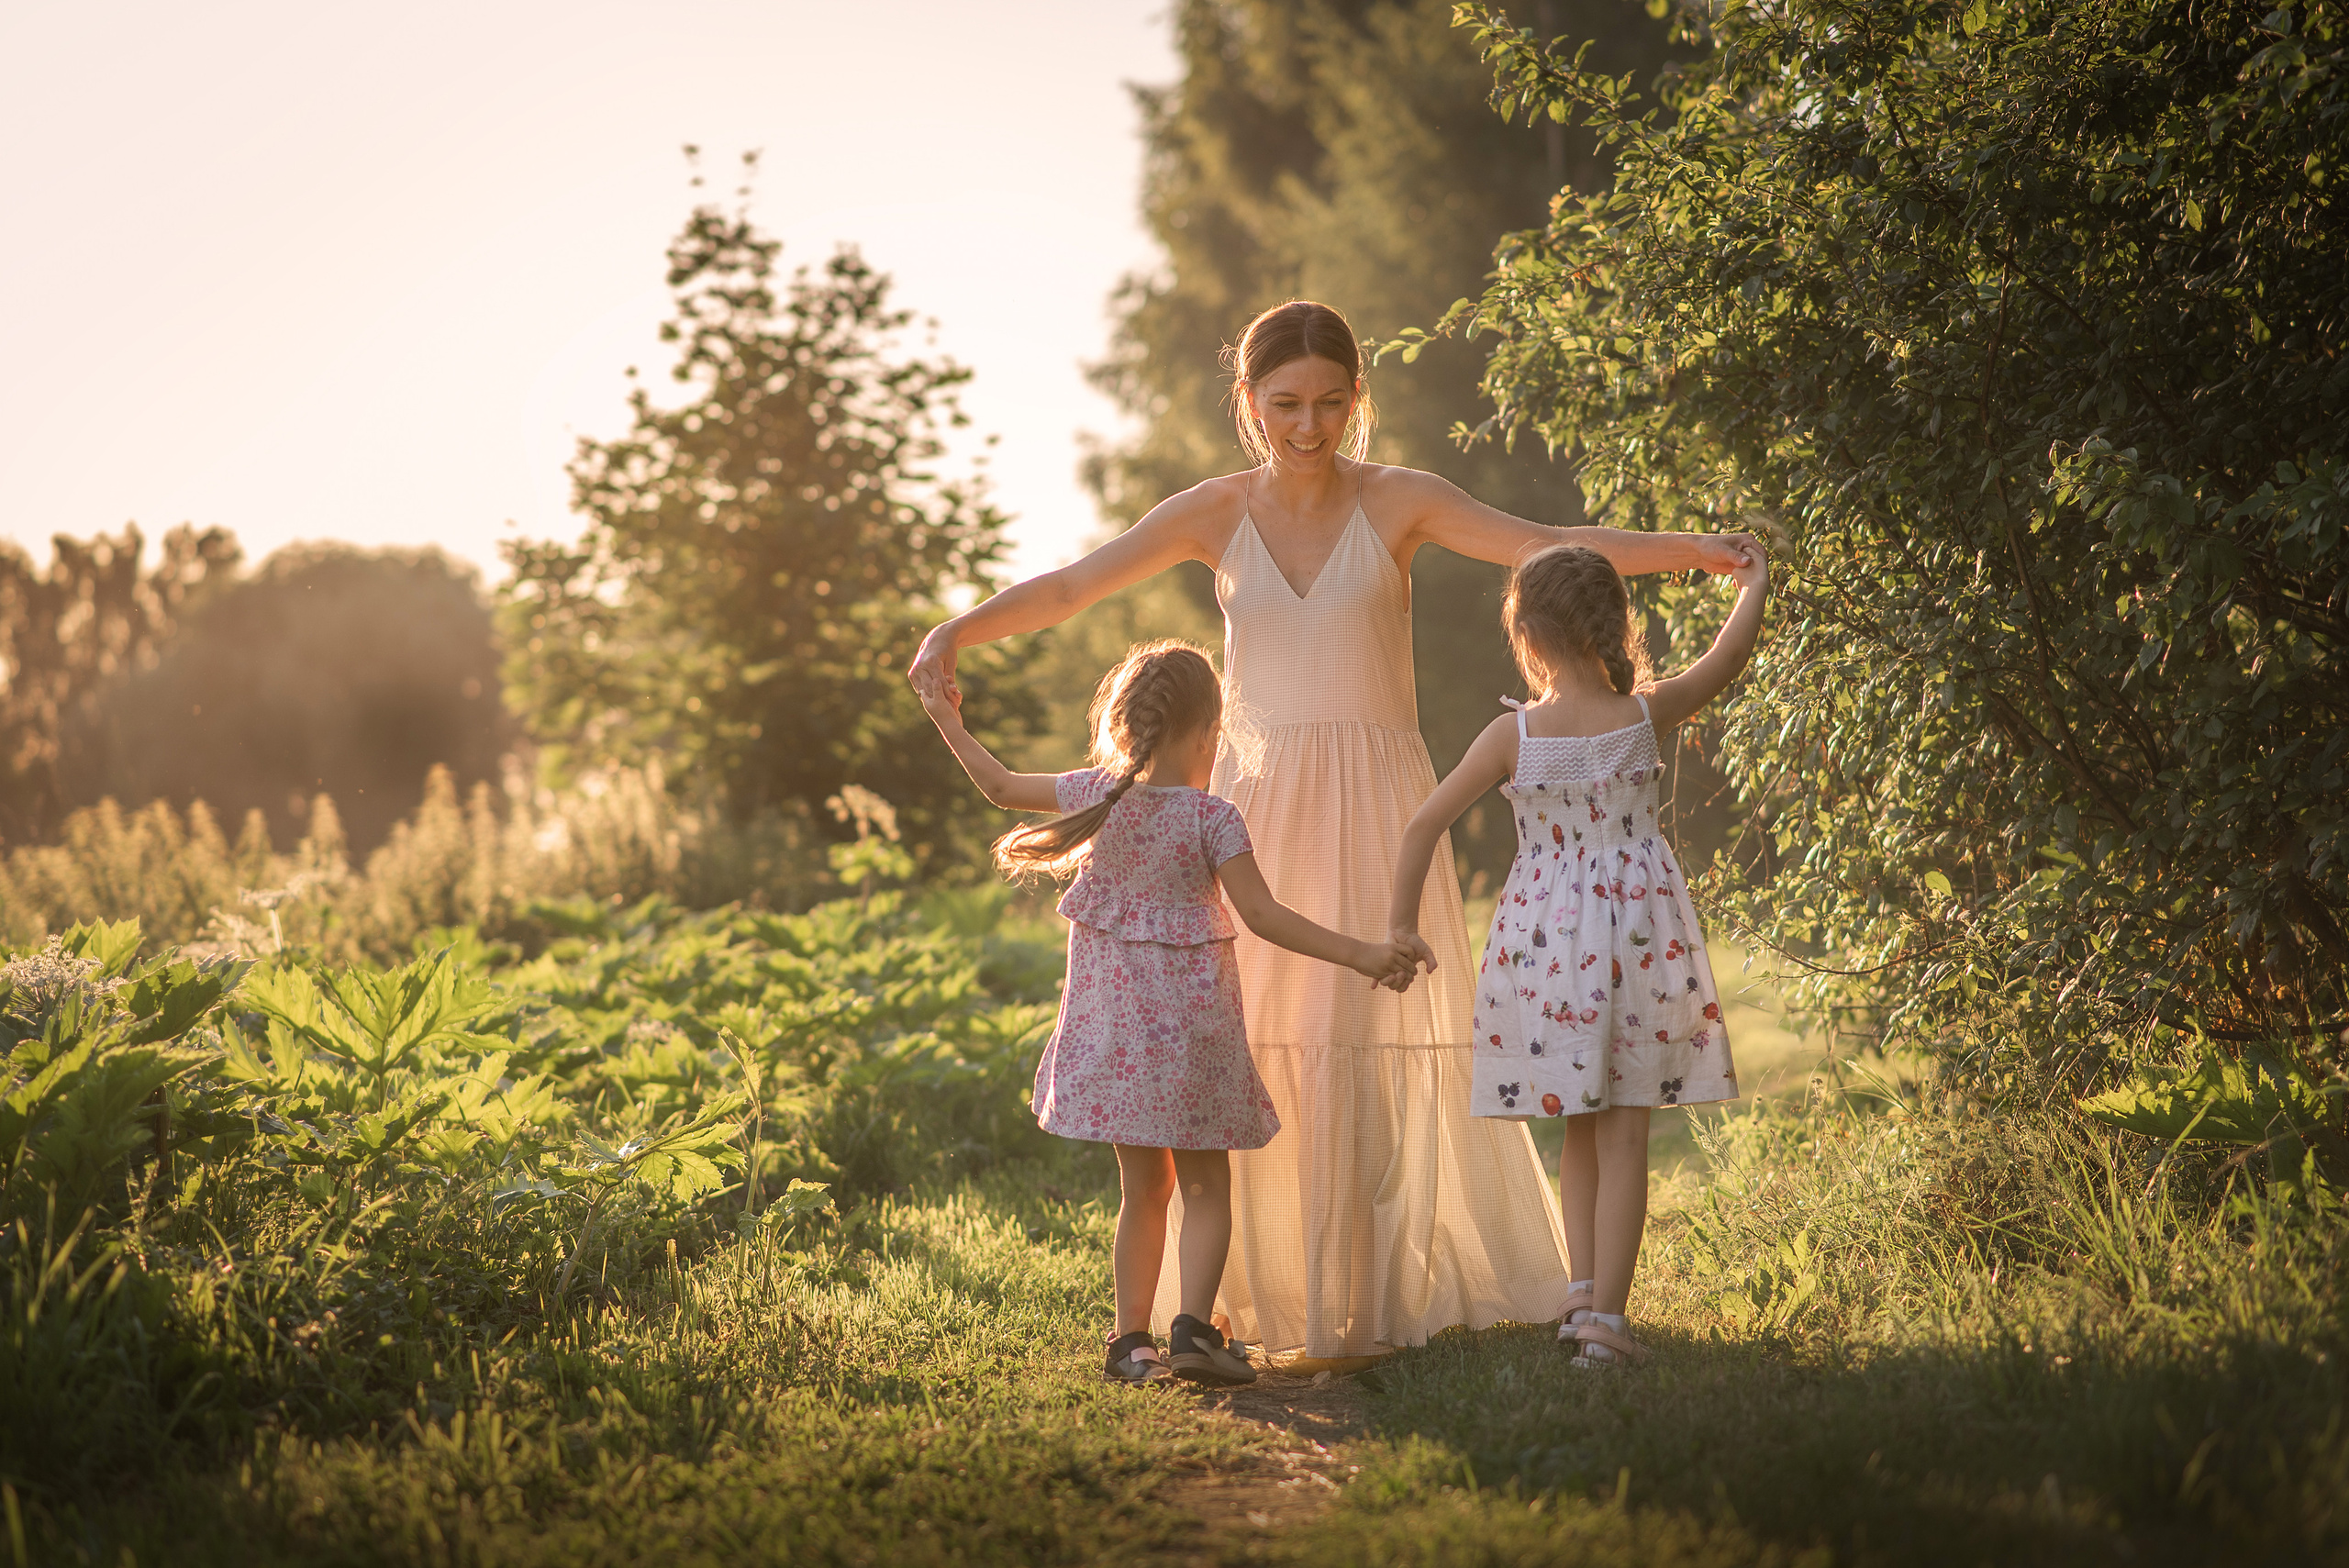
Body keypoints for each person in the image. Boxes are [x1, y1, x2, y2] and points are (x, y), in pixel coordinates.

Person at [909, 299, 1758, 1368]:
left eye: (1327, 402)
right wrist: (956, 629)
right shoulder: (1213, 511)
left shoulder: (1399, 498)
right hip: (1257, 803)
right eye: (1284, 404)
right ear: (1249, 402)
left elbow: (1546, 546)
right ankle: (1240, 1294)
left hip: (1376, 800)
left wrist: (1695, 554)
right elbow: (1077, 583)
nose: (1307, 425)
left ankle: (1369, 1292)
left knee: (1367, 1035)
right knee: (1255, 1043)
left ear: (1357, 396)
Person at [919, 639, 1418, 1385]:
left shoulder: (1096, 795)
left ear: (1127, 725)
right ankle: (1193, 1333)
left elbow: (997, 785)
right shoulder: (1213, 818)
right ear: (1210, 733)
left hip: (1117, 1040)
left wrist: (944, 714)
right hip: (1194, 1042)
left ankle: (1131, 1343)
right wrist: (1363, 953)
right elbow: (1265, 916)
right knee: (1207, 1186)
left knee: (1141, 1192)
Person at [1386, 543, 1767, 1366]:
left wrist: (1400, 927)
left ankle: (1582, 1295)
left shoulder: (1513, 734)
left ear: (1525, 634)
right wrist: (1754, 584)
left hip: (1547, 948)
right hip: (1636, 938)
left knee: (1580, 1127)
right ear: (1613, 625)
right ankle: (1606, 1324)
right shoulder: (1643, 713)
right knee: (1624, 1133)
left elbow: (1422, 825)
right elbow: (1727, 659)